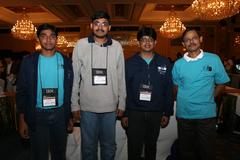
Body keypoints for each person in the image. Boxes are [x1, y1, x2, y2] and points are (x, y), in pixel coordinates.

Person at [71, 11, 126, 160]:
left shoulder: (117, 46)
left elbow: (121, 77)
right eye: (97, 23)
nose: (100, 27)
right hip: (87, 107)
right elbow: (75, 77)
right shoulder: (81, 45)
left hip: (110, 108)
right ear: (91, 26)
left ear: (109, 27)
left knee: (109, 147)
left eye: (104, 24)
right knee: (88, 148)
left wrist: (122, 102)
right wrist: (74, 105)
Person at [16, 23, 73, 160]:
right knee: (38, 154)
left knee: (59, 154)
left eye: (52, 36)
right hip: (37, 114)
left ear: (57, 39)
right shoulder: (28, 62)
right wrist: (22, 119)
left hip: (60, 114)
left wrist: (68, 115)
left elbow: (70, 90)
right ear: (38, 39)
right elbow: (21, 91)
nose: (48, 40)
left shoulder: (66, 61)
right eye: (44, 36)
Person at [172, 28, 230, 160]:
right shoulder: (178, 64)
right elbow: (175, 87)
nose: (191, 42)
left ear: (201, 39)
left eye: (194, 38)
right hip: (184, 115)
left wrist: (211, 97)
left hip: (206, 115)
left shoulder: (214, 59)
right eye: (187, 40)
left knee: (207, 151)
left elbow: (222, 83)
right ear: (183, 44)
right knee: (186, 151)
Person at [121, 27, 174, 160]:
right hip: (134, 112)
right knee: (134, 147)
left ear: (155, 42)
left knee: (151, 146)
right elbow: (124, 89)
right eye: (143, 39)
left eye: (150, 39)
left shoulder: (164, 62)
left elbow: (169, 89)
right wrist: (124, 113)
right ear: (139, 42)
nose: (147, 42)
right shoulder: (129, 63)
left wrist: (167, 112)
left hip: (155, 112)